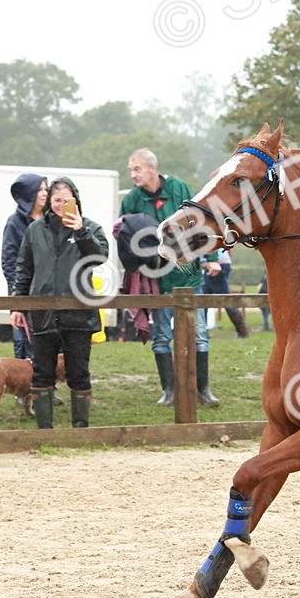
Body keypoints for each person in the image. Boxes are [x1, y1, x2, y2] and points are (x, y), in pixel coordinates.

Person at [120, 147, 223, 406]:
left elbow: (201, 223)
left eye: (137, 169)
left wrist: (211, 259)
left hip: (188, 275)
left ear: (152, 169)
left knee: (198, 332)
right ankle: (169, 390)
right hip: (155, 280)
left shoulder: (179, 188)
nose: (133, 174)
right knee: (163, 334)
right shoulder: (131, 199)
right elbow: (122, 235)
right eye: (131, 170)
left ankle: (203, 389)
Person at [10, 176, 109, 429]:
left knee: (78, 371)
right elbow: (23, 269)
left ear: (75, 201)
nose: (60, 204)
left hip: (78, 313)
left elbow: (99, 257)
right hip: (42, 312)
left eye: (66, 200)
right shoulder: (35, 230)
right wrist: (17, 305)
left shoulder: (90, 227)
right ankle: (45, 431)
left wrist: (81, 231)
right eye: (56, 200)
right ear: (48, 201)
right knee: (42, 371)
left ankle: (80, 429)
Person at [1, 174, 47, 359]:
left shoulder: (51, 219)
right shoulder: (14, 223)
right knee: (24, 343)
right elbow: (9, 262)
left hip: (48, 292)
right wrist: (17, 300)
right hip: (23, 292)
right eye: (39, 190)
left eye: (46, 189)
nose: (45, 193)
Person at [202, 249, 250, 338]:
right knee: (203, 300)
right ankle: (202, 332)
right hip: (219, 263)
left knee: (225, 300)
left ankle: (242, 331)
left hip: (214, 265)